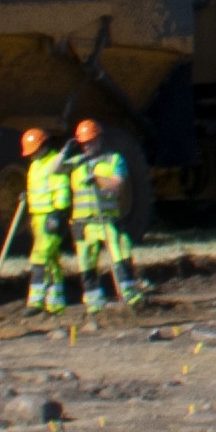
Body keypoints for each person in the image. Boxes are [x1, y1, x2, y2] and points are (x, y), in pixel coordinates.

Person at [66, 112, 140, 312]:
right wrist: (64, 153)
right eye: (84, 143)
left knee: (120, 252)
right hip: (83, 223)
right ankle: (94, 302)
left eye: (90, 141)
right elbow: (56, 170)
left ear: (99, 139)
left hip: (107, 219)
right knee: (87, 261)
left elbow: (117, 185)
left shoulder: (114, 160)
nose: (87, 146)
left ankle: (130, 295)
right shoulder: (76, 162)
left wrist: (98, 180)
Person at [10, 124, 83, 315]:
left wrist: (58, 214)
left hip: (52, 217)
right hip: (38, 217)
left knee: (40, 257)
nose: (31, 155)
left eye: (34, 151)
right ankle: (56, 303)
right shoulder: (35, 165)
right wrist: (28, 197)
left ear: (43, 146)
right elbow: (38, 189)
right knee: (51, 260)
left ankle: (35, 302)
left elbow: (62, 188)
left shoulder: (54, 163)